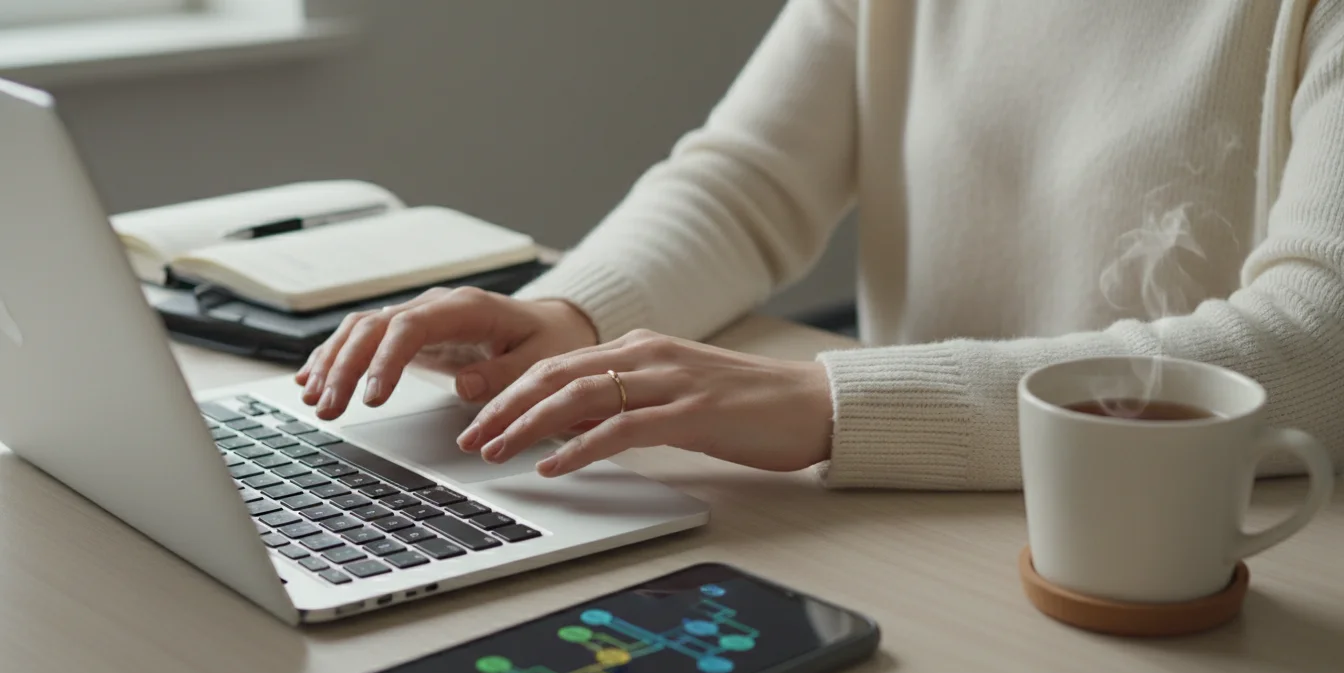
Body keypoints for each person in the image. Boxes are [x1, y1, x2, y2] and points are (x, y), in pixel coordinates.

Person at [296, 0, 1344, 490]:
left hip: (1210, 558)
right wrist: (568, 317)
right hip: (917, 527)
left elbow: (1317, 342)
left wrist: (836, 405)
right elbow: (744, 178)